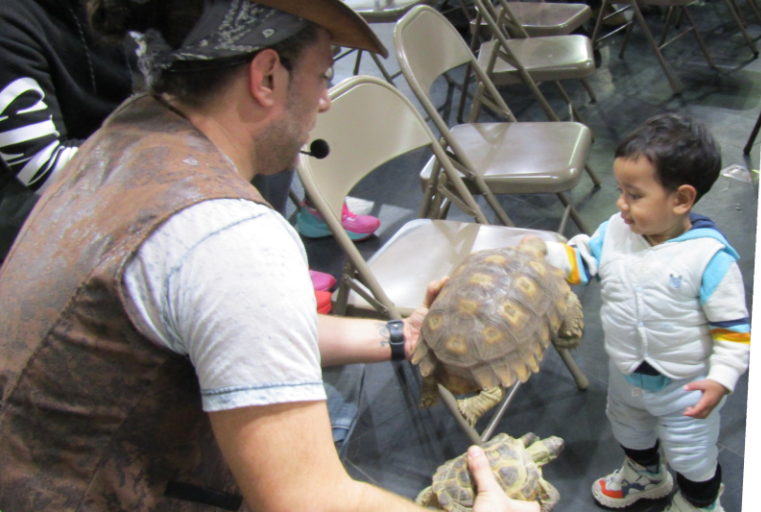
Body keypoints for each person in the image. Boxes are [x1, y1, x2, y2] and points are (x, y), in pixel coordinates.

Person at [0, 1, 540, 511]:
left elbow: (238, 324)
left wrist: (404, 336)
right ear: (267, 78)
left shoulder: (129, 135)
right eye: (324, 75)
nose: (326, 100)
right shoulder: (226, 233)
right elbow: (307, 500)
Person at [524, 113, 752, 512]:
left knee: (692, 455)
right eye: (620, 190)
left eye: (634, 194)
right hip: (626, 372)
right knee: (629, 429)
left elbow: (732, 332)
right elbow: (582, 262)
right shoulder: (615, 232)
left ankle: (700, 503)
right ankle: (645, 476)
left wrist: (721, 379)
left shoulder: (709, 258)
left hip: (687, 387)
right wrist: (545, 255)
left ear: (681, 199)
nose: (620, 204)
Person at [0, 0, 137, 264]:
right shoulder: (10, 20)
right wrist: (173, 157)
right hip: (37, 215)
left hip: (124, 173)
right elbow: (44, 167)